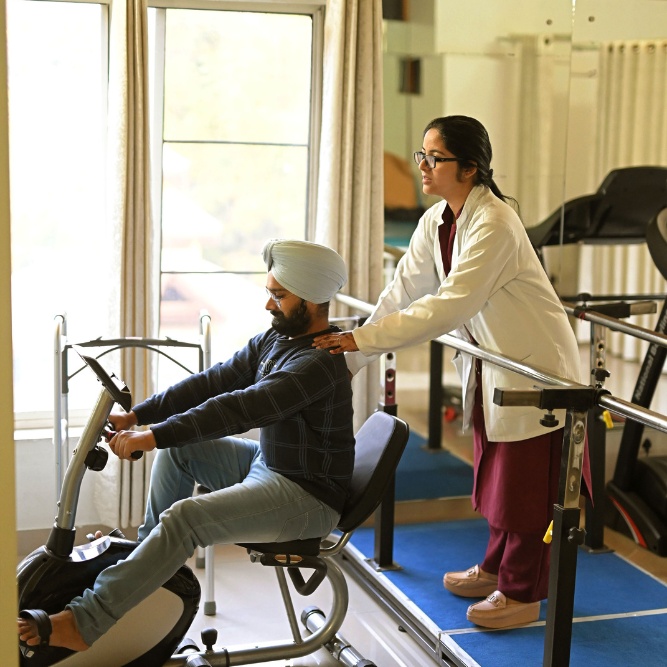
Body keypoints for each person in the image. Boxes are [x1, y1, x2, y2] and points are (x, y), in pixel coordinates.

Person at [313, 115, 588, 629]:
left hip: (535, 372)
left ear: (470, 167)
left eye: (434, 158)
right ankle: (496, 567)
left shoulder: (496, 223)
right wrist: (351, 357)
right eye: (423, 155)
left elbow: (449, 305)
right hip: (494, 367)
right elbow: (402, 292)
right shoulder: (437, 219)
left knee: (526, 489)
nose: (422, 166)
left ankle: (523, 593)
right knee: (498, 477)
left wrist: (361, 342)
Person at [18, 239, 354, 654]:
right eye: (270, 293)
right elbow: (213, 382)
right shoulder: (276, 339)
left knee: (187, 518)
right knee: (181, 452)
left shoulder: (319, 362)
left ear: (311, 298)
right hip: (270, 463)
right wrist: (137, 416)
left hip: (307, 496)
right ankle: (145, 561)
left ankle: (85, 622)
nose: (269, 304)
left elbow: (239, 408)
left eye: (279, 296)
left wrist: (152, 435)